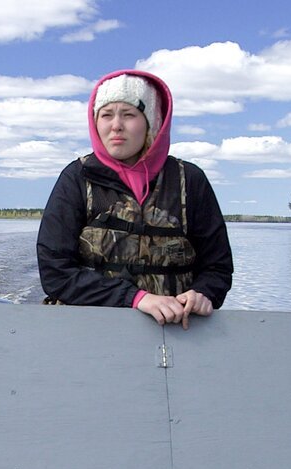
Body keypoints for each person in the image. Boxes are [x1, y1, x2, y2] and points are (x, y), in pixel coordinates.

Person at [36, 69, 233, 329]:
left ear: (151, 122)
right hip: (88, 329)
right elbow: (55, 272)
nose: (116, 125)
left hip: (177, 332)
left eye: (128, 115)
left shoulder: (190, 181)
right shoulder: (77, 178)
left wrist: (204, 294)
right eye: (106, 115)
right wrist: (136, 298)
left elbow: (217, 267)